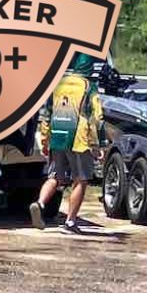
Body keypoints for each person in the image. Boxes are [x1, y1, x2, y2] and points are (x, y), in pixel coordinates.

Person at [30, 52, 107, 234]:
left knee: (55, 177)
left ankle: (39, 203)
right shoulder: (88, 87)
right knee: (81, 180)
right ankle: (70, 222)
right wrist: (98, 145)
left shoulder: (58, 84)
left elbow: (47, 114)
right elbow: (97, 117)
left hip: (57, 136)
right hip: (79, 140)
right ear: (89, 68)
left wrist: (45, 140)